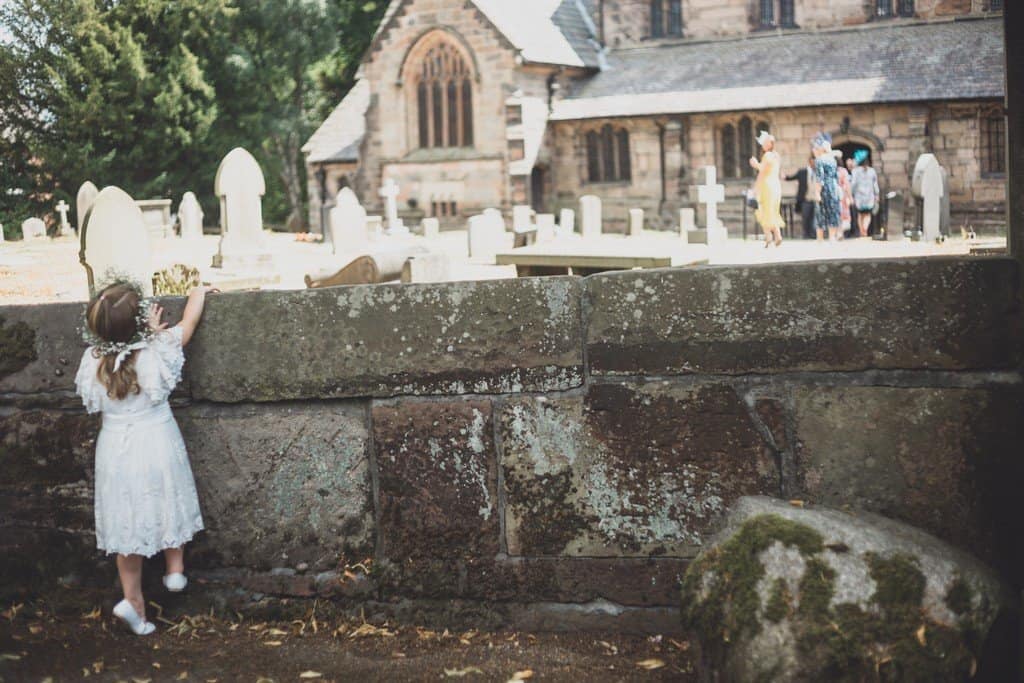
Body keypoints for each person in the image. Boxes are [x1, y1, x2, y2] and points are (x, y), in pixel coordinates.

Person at [75, 281, 215, 636]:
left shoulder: (91, 361)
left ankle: (133, 601)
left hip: (116, 450)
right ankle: (175, 570)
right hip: (155, 441)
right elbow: (186, 328)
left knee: (127, 523)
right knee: (169, 495)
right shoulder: (157, 350)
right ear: (140, 322)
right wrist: (196, 293)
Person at [749, 130, 784, 247]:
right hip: (775, 185)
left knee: (764, 210)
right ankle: (774, 236)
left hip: (767, 186)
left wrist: (755, 164)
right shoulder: (776, 155)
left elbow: (762, 172)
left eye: (764, 143)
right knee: (772, 210)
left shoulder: (768, 155)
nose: (762, 145)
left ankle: (770, 237)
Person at [811, 133, 841, 241]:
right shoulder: (832, 160)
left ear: (820, 149)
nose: (813, 151)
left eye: (815, 148)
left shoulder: (819, 160)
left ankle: (820, 238)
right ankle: (832, 237)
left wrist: (817, 193)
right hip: (833, 188)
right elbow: (835, 176)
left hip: (824, 190)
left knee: (821, 213)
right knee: (833, 211)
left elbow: (820, 178)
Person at [786, 156, 818, 239]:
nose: (813, 163)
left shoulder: (818, 172)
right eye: (812, 161)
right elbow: (792, 177)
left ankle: (812, 234)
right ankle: (806, 234)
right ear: (809, 161)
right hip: (805, 199)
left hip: (815, 199)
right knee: (805, 217)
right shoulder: (802, 172)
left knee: (813, 218)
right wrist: (785, 177)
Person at [850, 149, 880, 237]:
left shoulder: (855, 171)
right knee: (867, 214)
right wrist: (876, 194)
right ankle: (865, 229)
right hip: (869, 196)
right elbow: (875, 184)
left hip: (859, 196)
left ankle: (862, 230)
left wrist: (851, 194)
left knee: (860, 214)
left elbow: (853, 184)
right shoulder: (872, 171)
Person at [835, 150, 852, 239]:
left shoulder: (830, 171)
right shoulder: (843, 171)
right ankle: (840, 232)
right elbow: (847, 185)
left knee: (835, 214)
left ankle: (837, 232)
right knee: (842, 214)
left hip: (833, 195)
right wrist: (850, 197)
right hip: (842, 195)